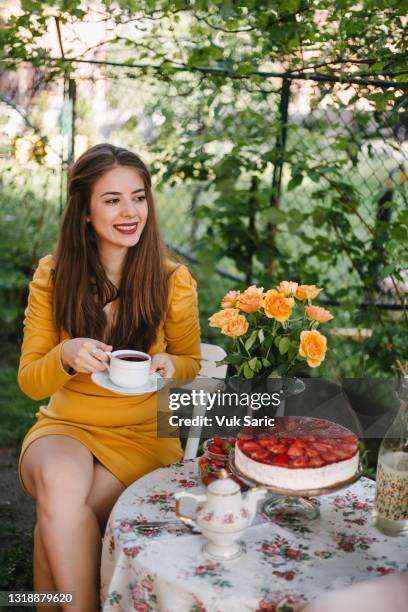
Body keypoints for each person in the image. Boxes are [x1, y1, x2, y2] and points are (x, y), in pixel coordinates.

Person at [17, 143, 201, 612]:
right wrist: (64, 353)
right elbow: (30, 381)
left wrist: (168, 367)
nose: (130, 211)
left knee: (51, 523)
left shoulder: (171, 279)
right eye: (113, 199)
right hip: (66, 427)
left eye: (138, 197)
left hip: (143, 435)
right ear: (83, 209)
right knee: (59, 482)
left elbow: (190, 361)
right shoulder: (53, 274)